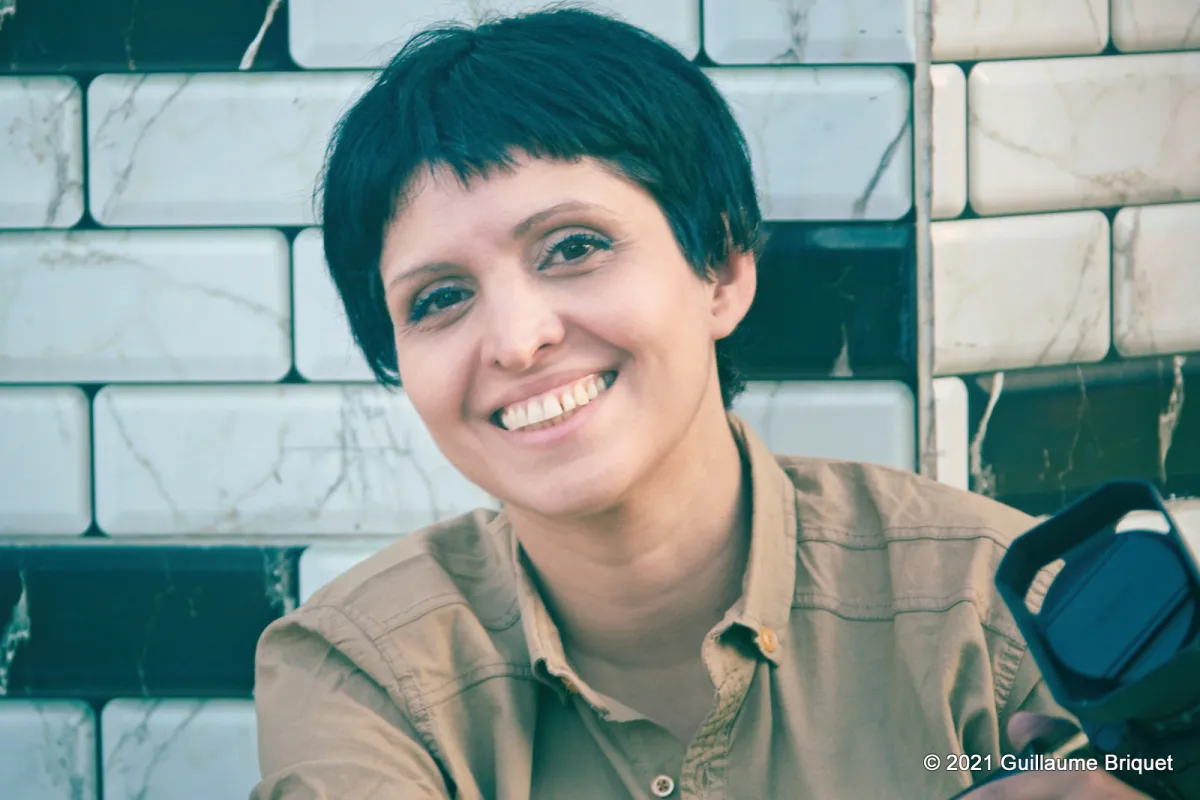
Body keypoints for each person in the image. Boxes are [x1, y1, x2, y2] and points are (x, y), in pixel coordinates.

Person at [250, 6, 1151, 799]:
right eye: (438, 298)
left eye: (572, 247)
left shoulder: (987, 603)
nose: (517, 339)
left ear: (720, 270)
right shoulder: (357, 674)